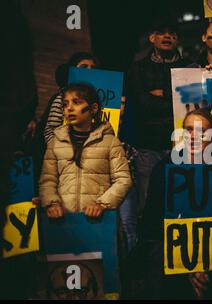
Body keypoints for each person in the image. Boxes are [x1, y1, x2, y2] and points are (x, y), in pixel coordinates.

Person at [125, 108, 212, 299]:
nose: (194, 136)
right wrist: (187, 266)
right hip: (171, 248)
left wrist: (203, 264)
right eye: (189, 130)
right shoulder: (165, 168)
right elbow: (153, 225)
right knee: (158, 259)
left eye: (202, 131)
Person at [126, 22, 189, 218]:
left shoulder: (188, 67)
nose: (167, 36)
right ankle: (149, 245)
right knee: (148, 200)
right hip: (148, 145)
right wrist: (174, 99)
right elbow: (142, 103)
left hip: (181, 144)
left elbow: (188, 102)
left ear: (177, 39)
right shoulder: (137, 68)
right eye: (161, 32)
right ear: (152, 38)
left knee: (182, 197)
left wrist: (163, 95)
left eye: (172, 33)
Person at [39, 83, 132, 216]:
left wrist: (102, 204)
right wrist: (52, 203)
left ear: (93, 108)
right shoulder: (55, 142)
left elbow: (123, 179)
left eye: (76, 102)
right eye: (65, 104)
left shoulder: (110, 142)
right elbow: (47, 180)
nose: (69, 108)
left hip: (99, 222)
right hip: (63, 221)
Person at [43, 52, 99, 145]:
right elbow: (51, 130)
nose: (89, 71)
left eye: (93, 68)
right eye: (84, 67)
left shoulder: (99, 100)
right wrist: (60, 153)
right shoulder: (62, 99)